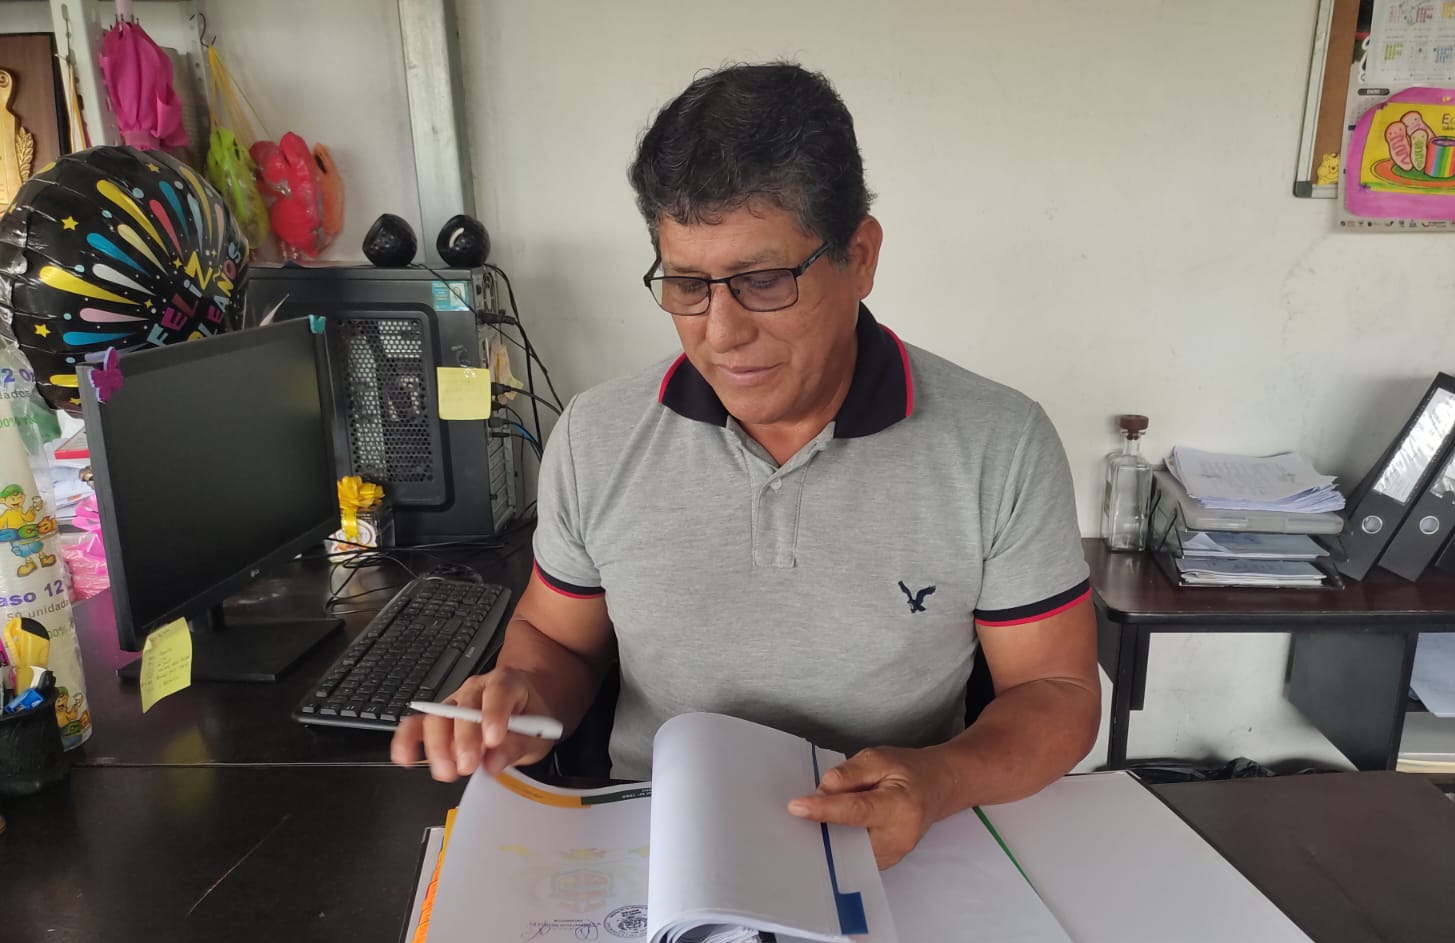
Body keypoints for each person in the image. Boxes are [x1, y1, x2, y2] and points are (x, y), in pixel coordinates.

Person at [391, 62, 1101, 868]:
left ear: (860, 256)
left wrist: (940, 780)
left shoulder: (999, 444)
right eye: (687, 284)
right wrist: (518, 696)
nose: (721, 334)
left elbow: (1057, 694)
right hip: (650, 842)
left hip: (894, 844)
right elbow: (558, 642)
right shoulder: (597, 437)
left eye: (763, 282)